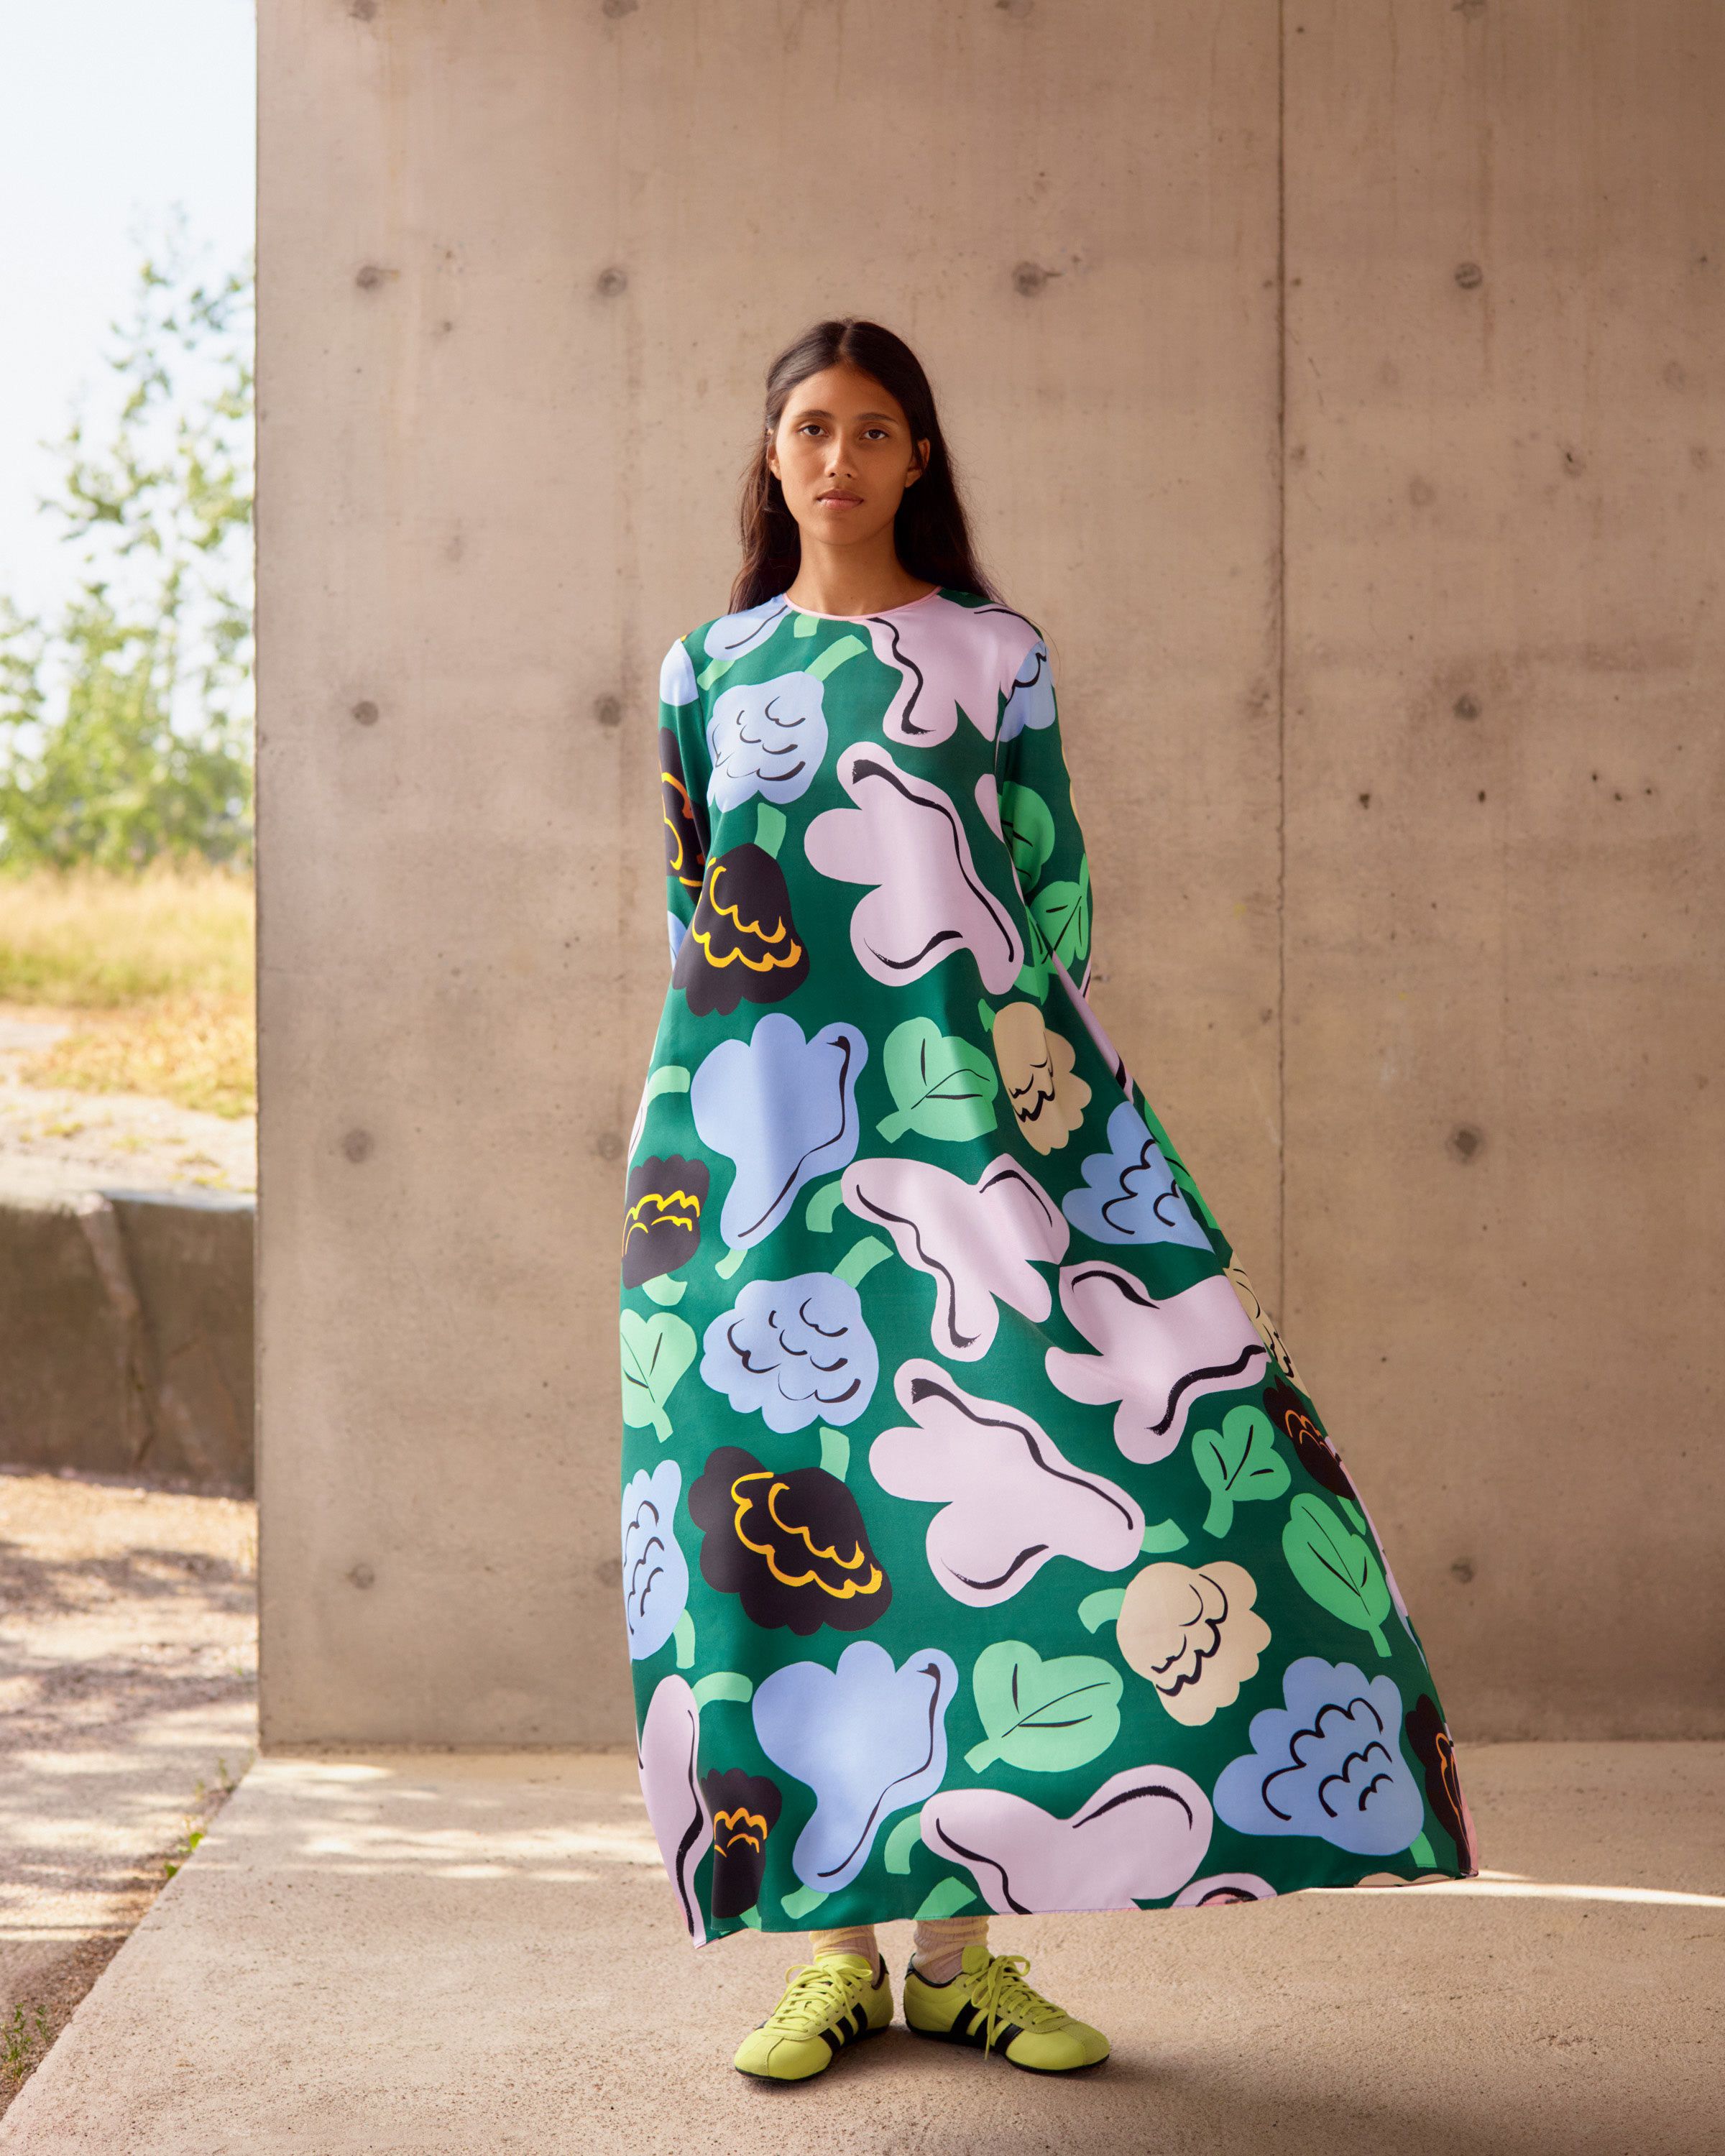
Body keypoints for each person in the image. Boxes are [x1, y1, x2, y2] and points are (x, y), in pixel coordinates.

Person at [619, 318, 1480, 2083]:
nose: (841, 457)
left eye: (874, 429)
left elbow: (1055, 904)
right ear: (770, 457)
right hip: (755, 1154)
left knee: (1050, 1494)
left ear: (920, 455)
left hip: (985, 1130)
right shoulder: (705, 667)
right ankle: (829, 1957)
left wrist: (1047, 1141)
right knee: (785, 1523)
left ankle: (961, 1955)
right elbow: (701, 901)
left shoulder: (996, 655)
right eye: (811, 428)